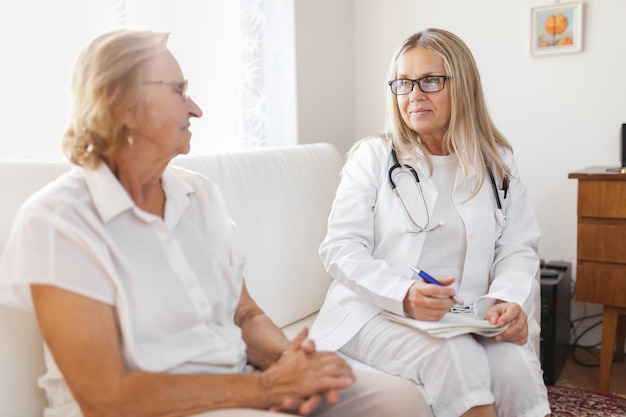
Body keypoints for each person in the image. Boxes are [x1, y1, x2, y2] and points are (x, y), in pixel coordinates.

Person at [0, 29, 425, 417]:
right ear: (121, 106)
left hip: (242, 384)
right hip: (149, 408)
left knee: (399, 400)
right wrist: (262, 389)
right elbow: (105, 396)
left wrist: (291, 363)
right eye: (179, 91)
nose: (196, 109)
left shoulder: (198, 193)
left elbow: (244, 314)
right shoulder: (58, 221)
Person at [309, 28, 551, 417]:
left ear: (464, 86)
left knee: (513, 363)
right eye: (403, 83)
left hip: (464, 315)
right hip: (373, 310)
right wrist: (404, 294)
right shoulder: (374, 157)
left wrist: (508, 299)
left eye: (431, 81)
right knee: (457, 356)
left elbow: (518, 247)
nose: (414, 95)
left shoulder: (496, 161)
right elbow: (340, 249)